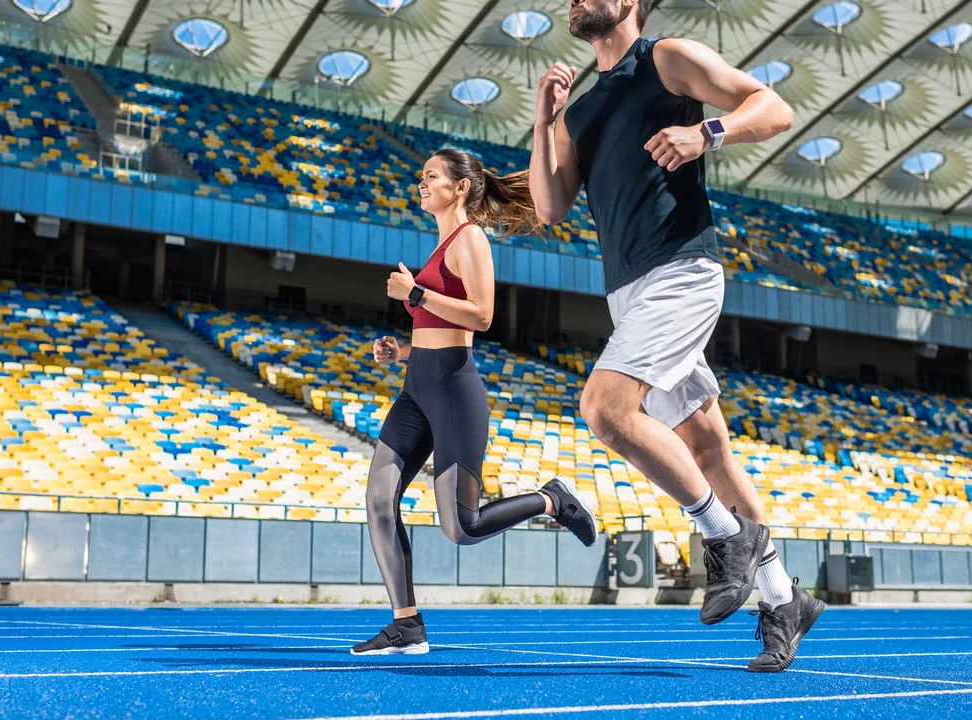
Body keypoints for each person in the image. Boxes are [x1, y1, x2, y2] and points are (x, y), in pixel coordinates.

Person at [527, 0, 824, 672]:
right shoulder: (579, 108)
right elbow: (549, 206)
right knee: (708, 447)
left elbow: (773, 108)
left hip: (682, 270)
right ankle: (784, 600)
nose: (572, 2)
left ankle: (723, 536)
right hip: (628, 293)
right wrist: (543, 121)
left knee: (605, 408)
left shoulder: (666, 57)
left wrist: (707, 133)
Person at [351, 148, 598, 656]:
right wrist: (402, 350)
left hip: (454, 394)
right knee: (378, 499)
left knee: (462, 527)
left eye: (430, 176)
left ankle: (552, 499)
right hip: (416, 389)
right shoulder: (440, 245)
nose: (421, 183)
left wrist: (415, 295)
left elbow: (482, 316)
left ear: (460, 188)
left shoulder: (471, 240)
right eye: (422, 175)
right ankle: (406, 624)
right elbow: (438, 330)